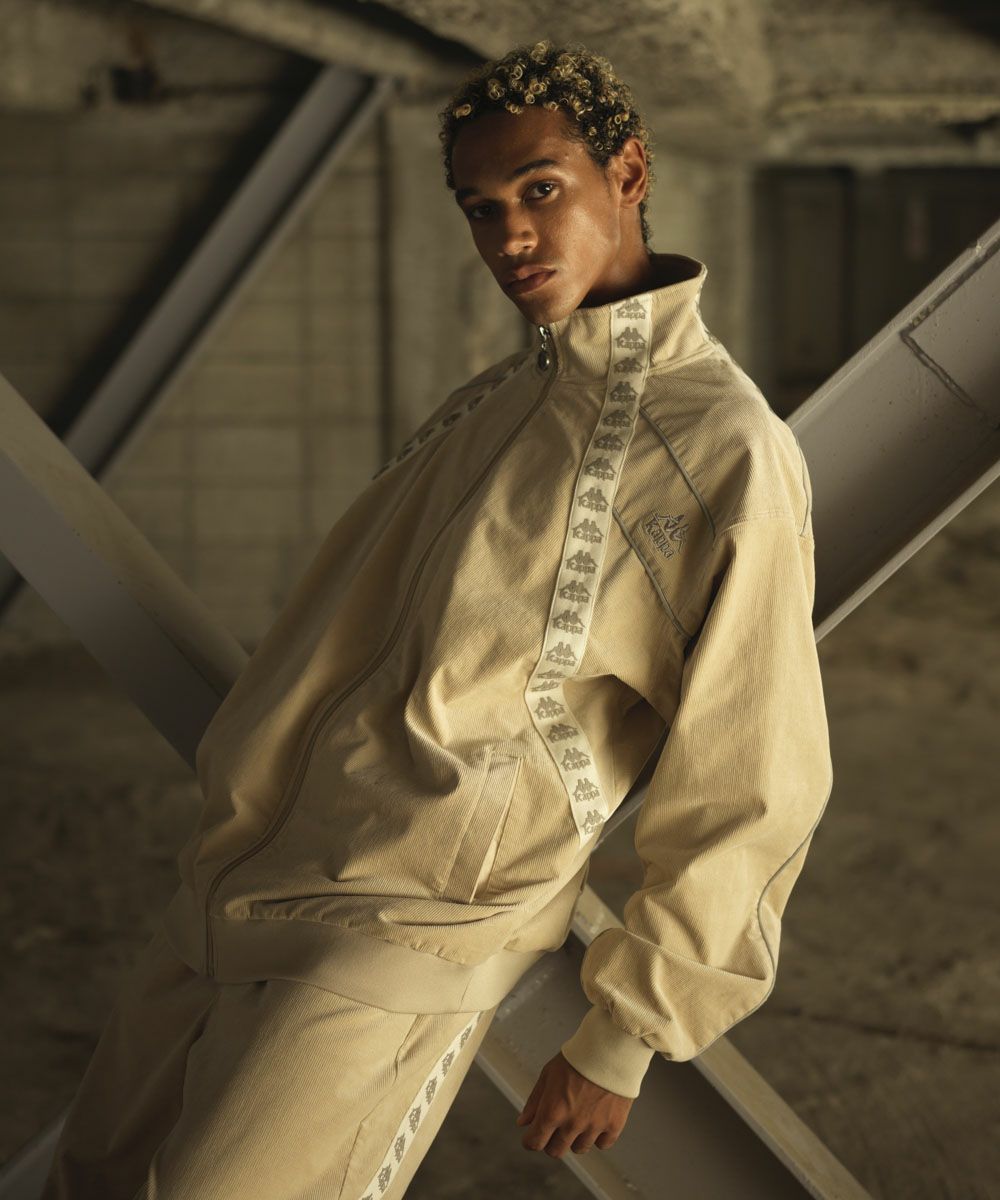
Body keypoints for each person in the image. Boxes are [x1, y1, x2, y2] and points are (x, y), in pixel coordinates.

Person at [41, 39, 833, 1199]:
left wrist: (627, 1034)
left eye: (539, 190)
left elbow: (753, 771)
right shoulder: (496, 398)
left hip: (396, 938)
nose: (509, 236)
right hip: (231, 884)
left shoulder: (723, 447)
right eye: (479, 208)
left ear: (627, 171)